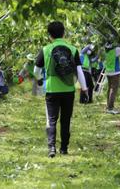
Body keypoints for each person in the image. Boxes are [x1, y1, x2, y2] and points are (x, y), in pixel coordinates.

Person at [34, 21, 88, 158]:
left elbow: (36, 70)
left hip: (52, 89)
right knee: (66, 119)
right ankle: (64, 148)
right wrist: (84, 88)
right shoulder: (73, 49)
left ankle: (51, 147)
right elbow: (79, 71)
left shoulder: (45, 50)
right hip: (68, 89)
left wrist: (39, 79)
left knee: (52, 119)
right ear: (64, 33)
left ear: (49, 35)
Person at [104, 41, 120, 114]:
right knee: (113, 90)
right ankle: (110, 108)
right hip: (115, 72)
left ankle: (108, 106)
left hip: (108, 72)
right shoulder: (115, 51)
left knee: (110, 89)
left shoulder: (107, 52)